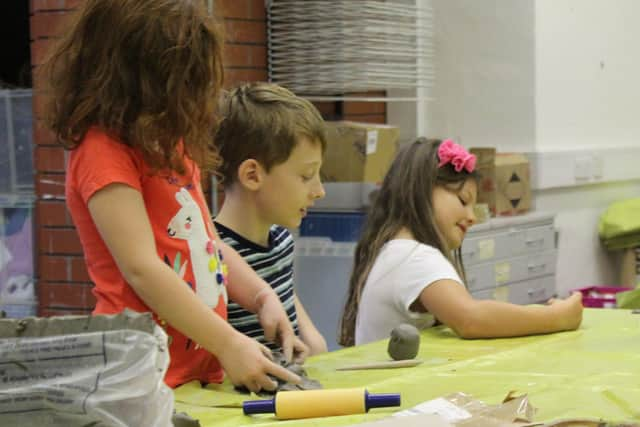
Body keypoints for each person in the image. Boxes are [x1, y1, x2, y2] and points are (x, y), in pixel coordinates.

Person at [43, 0, 303, 392]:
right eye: (187, 82)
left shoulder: (171, 145)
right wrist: (229, 342)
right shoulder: (103, 151)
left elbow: (209, 245)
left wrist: (261, 296)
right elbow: (141, 269)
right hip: (139, 376)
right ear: (142, 78)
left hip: (196, 370)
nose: (199, 95)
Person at [339, 138, 583, 346]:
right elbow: (471, 318)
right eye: (463, 200)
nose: (472, 217)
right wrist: (556, 318)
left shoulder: (395, 249)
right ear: (422, 191)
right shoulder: (414, 256)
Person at [213, 82, 328, 355]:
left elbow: (283, 292)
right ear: (252, 175)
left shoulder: (281, 240)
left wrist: (311, 336)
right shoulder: (209, 257)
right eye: (306, 176)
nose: (320, 191)